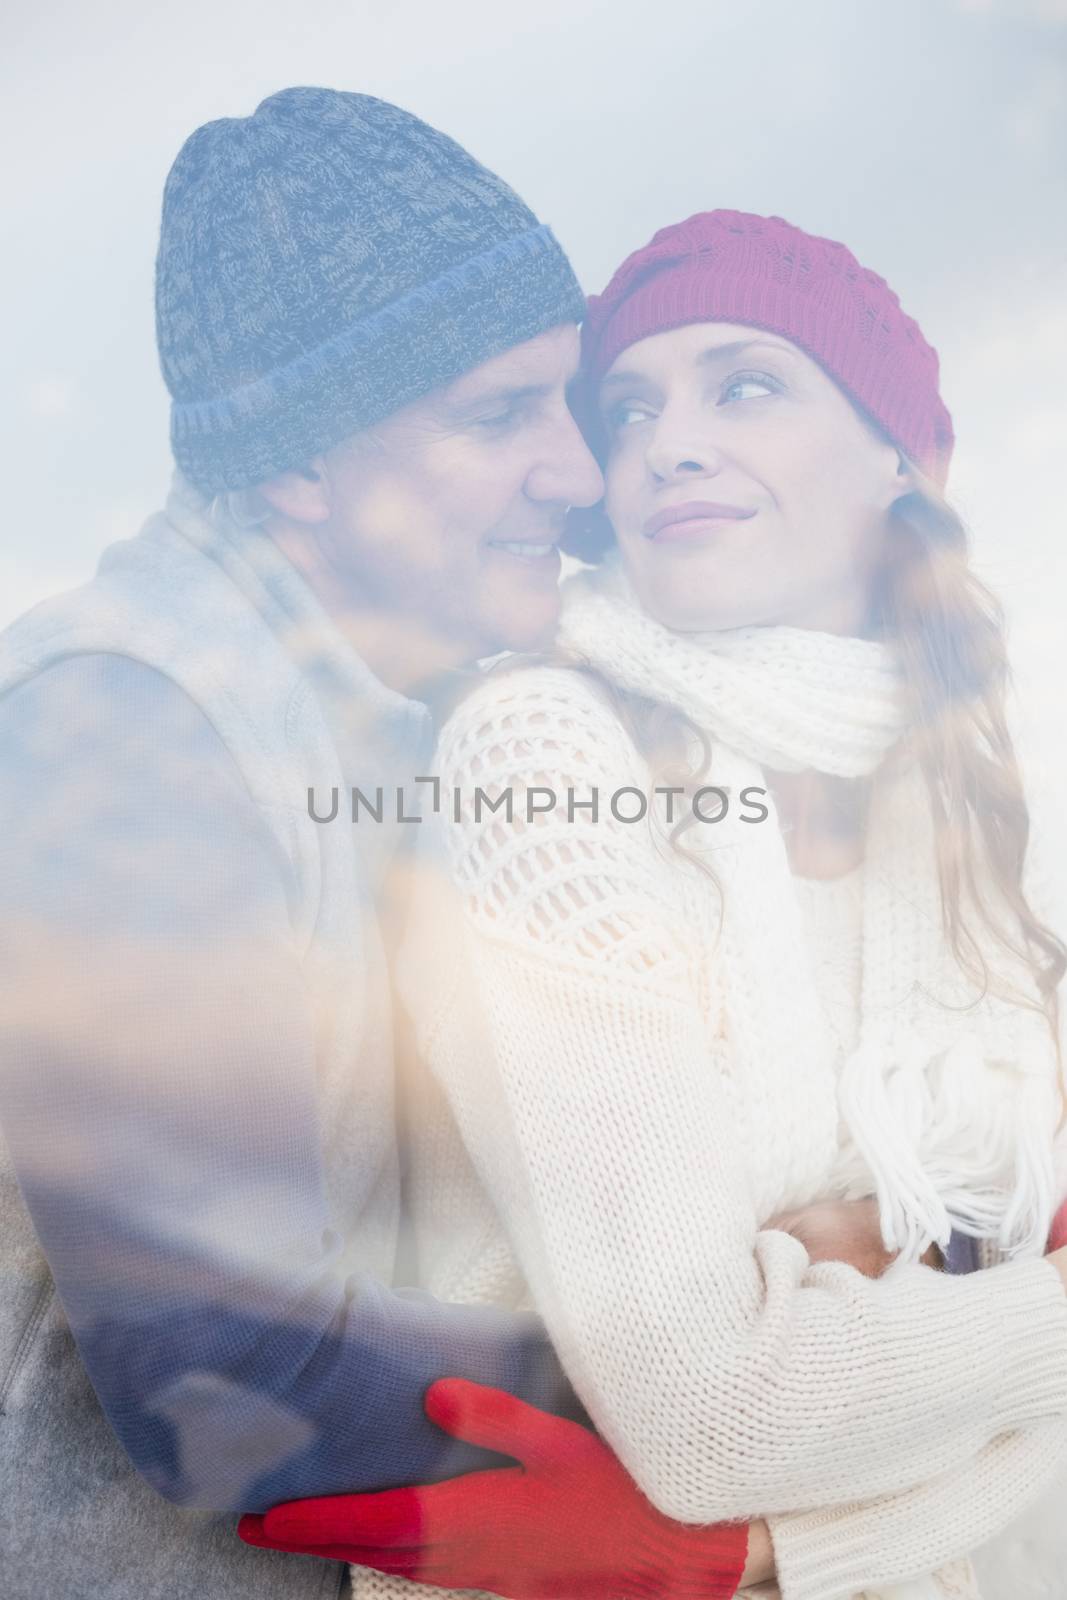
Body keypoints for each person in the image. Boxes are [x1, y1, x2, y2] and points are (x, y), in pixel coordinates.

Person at [0, 92, 758, 1600]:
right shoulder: (123, 726)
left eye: (569, 403)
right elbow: (224, 1372)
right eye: (496, 418)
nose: (574, 470)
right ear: (298, 466)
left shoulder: (373, 706)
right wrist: (745, 1372)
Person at [247, 212, 1067, 1600]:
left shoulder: (953, 796)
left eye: (744, 382)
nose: (666, 442)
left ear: (900, 459)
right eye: (627, 407)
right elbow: (719, 1417)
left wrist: (773, 1549)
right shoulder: (548, 757)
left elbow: (994, 1360)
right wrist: (956, 1294)